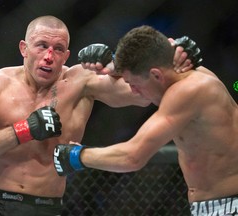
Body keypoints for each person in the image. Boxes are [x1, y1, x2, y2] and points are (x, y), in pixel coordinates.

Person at [0, 15, 200, 216]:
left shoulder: (81, 81)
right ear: (24, 48)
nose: (49, 56)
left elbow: (142, 94)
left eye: (58, 49)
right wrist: (24, 130)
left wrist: (117, 63)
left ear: (67, 55)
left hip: (49, 208)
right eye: (41, 46)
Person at [54, 25, 238, 216]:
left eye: (134, 85)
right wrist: (112, 65)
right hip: (214, 204)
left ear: (156, 75)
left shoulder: (188, 91)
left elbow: (132, 156)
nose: (133, 92)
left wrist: (75, 156)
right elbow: (155, 48)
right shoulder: (189, 76)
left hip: (229, 205)